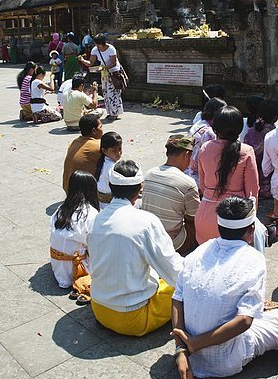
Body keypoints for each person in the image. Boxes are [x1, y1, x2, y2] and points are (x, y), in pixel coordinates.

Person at [170, 196, 278, 379]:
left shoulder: (199, 252)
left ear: (219, 228)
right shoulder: (253, 259)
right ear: (251, 230)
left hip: (190, 355)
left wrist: (181, 350)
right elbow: (245, 321)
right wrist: (194, 344)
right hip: (225, 361)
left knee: (259, 307)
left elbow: (177, 298)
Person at [87, 160, 184, 336]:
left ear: (110, 186)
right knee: (181, 287)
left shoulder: (96, 219)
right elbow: (174, 269)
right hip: (132, 319)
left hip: (99, 308)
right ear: (141, 188)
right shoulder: (146, 221)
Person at [194, 106, 264, 248]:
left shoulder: (205, 148)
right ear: (239, 128)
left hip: (205, 217)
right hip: (235, 220)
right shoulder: (246, 151)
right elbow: (252, 192)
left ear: (215, 128)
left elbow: (202, 185)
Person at [142, 135, 201, 254]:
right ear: (186, 155)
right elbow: (194, 217)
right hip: (174, 243)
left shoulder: (149, 174)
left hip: (149, 238)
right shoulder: (187, 183)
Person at [49, 170, 99, 305]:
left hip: (58, 268)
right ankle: (83, 283)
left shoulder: (60, 209)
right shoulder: (90, 213)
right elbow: (95, 245)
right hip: (76, 267)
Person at [243, 99, 278, 198]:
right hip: (268, 183)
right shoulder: (275, 135)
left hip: (251, 181)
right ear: (276, 117)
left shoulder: (250, 131)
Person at [82, 34, 123, 120]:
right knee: (105, 93)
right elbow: (90, 63)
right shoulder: (95, 50)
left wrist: (104, 68)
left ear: (102, 43)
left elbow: (114, 63)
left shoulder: (111, 48)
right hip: (104, 73)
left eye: (98, 44)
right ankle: (109, 112)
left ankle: (115, 113)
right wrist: (82, 60)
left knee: (113, 93)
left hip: (113, 72)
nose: (96, 46)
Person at [187, 97, 226, 182]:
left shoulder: (199, 123)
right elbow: (210, 158)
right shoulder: (209, 133)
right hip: (200, 174)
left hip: (190, 167)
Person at [62, 113, 103, 193]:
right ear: (94, 131)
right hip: (82, 194)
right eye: (100, 127)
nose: (102, 130)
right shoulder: (97, 146)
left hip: (68, 188)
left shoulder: (75, 142)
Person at [95, 132, 123, 208]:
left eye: (120, 149)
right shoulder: (112, 168)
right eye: (114, 151)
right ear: (104, 151)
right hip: (109, 205)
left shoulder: (103, 161)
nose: (119, 153)